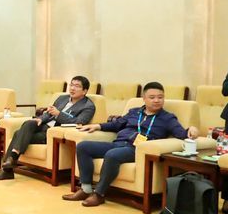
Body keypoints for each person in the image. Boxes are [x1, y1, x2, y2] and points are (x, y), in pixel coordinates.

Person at [64, 82, 199, 207]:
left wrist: (191, 129)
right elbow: (117, 124)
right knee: (83, 146)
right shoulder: (134, 112)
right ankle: (86, 189)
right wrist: (97, 126)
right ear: (144, 99)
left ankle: (99, 194)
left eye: (160, 97)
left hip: (136, 149)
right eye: (152, 97)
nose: (157, 100)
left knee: (112, 155)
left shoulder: (167, 118)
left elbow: (181, 133)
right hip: (118, 143)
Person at [0, 76, 96, 180]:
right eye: (71, 85)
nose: (72, 88)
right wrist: (41, 119)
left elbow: (78, 122)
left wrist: (59, 114)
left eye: (77, 86)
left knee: (18, 134)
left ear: (84, 91)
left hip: (53, 133)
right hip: (44, 126)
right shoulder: (62, 98)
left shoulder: (88, 106)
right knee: (29, 123)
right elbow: (49, 112)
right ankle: (10, 161)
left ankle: (8, 167)